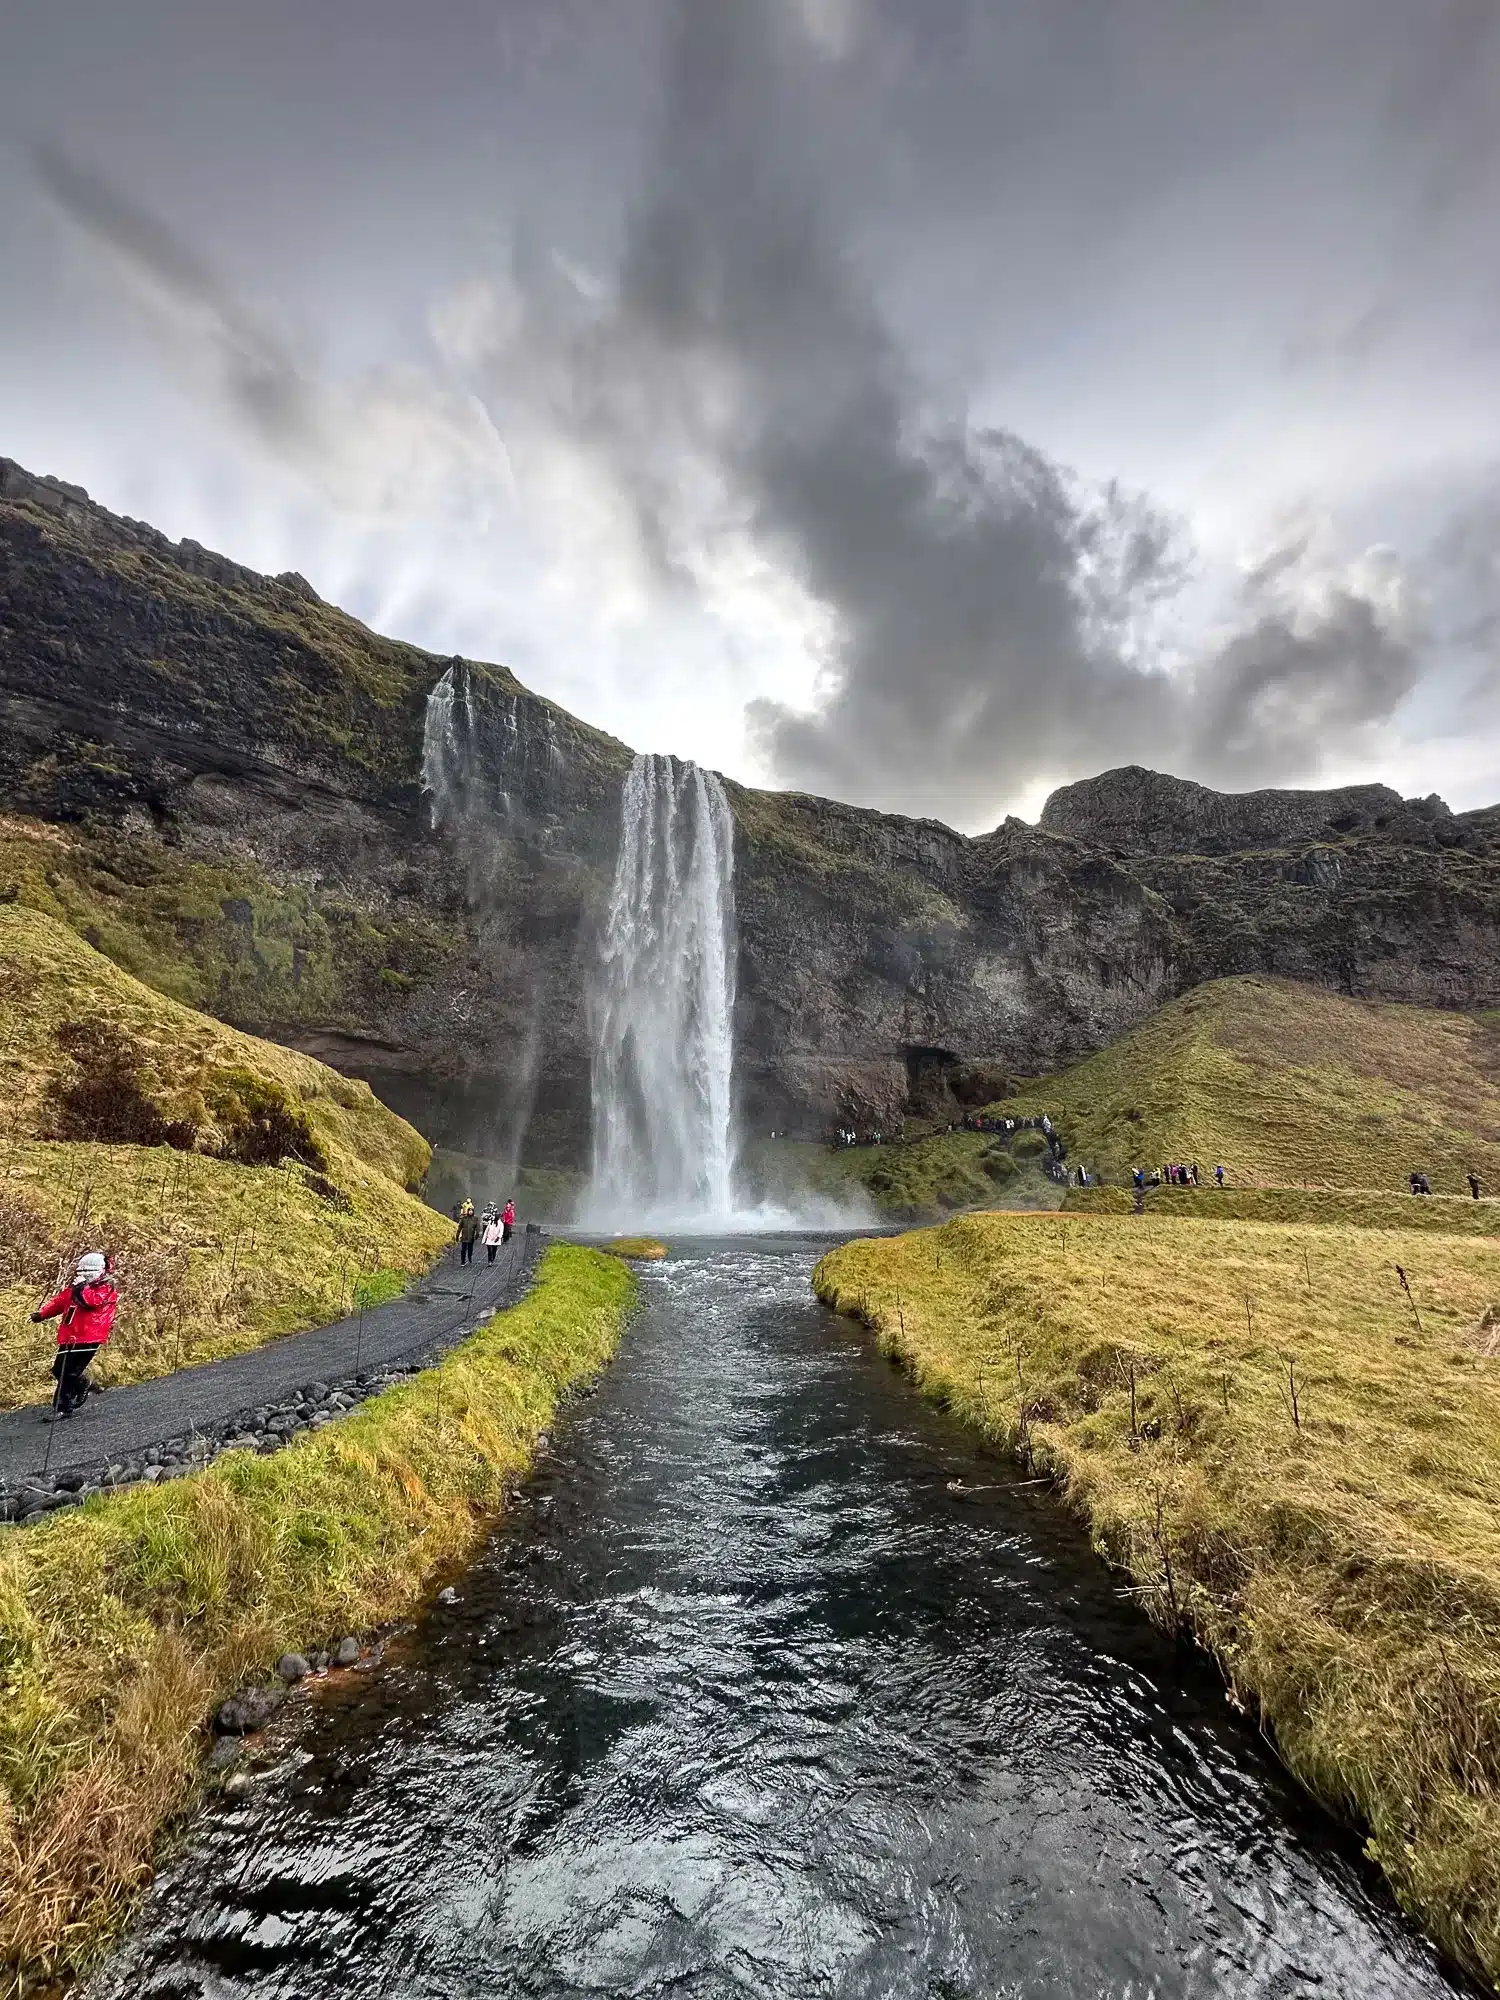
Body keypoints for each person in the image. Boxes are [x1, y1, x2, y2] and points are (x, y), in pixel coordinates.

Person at [31, 1251, 118, 1418]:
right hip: (69, 1336)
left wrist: (81, 1287)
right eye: (81, 1273)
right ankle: (83, 1383)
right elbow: (60, 1302)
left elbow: (90, 1302)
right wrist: (41, 1314)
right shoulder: (77, 1288)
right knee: (59, 1370)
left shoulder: (106, 1288)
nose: (83, 1276)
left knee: (68, 1371)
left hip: (89, 1338)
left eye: (87, 1273)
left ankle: (63, 1408)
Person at [456, 1199, 479, 1264]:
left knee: (470, 1249)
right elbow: (460, 1227)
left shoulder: (475, 1219)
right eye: (469, 1211)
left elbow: (477, 1227)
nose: (470, 1212)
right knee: (463, 1250)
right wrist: (457, 1235)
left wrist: (476, 1234)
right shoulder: (464, 1219)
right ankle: (462, 1261)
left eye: (471, 1211)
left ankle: (469, 1257)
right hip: (464, 1236)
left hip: (471, 1237)